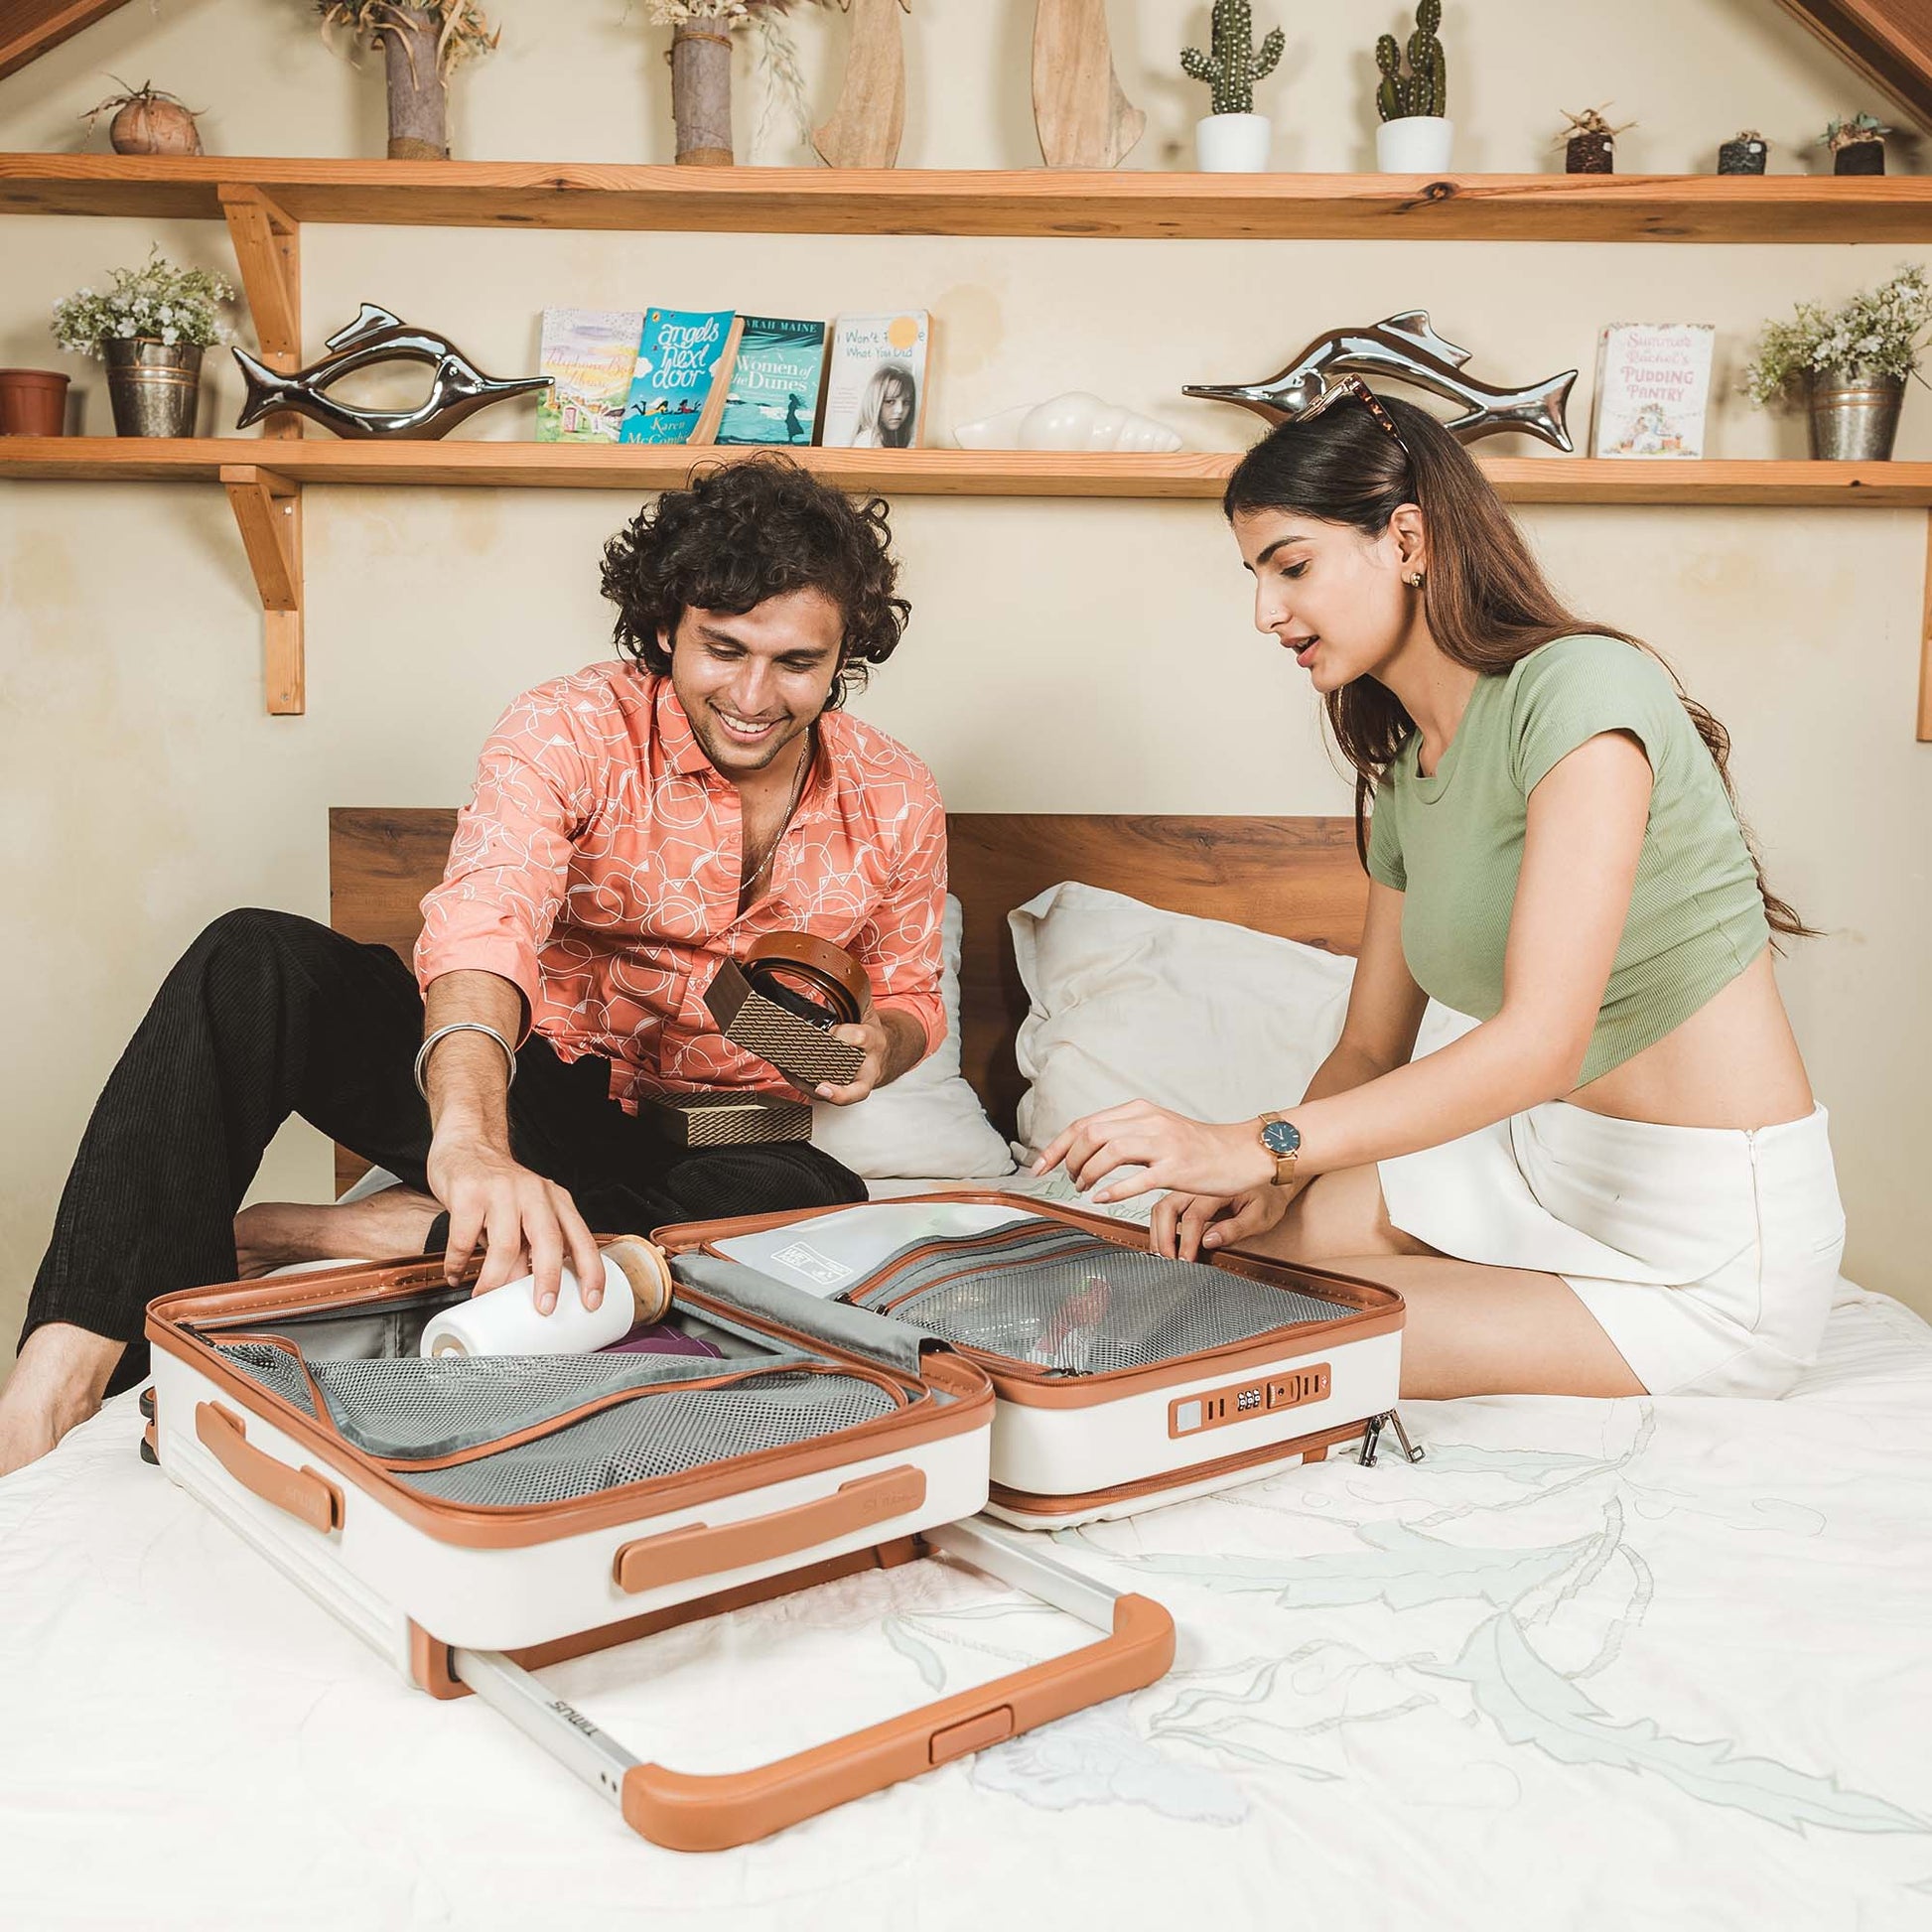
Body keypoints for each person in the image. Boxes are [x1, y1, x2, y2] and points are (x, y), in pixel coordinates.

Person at [0, 455, 947, 1474]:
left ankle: (364, 1231)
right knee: (253, 955)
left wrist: (876, 1046)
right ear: (668, 622)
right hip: (536, 1083)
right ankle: (60, 1369)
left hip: (714, 1139)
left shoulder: (896, 793)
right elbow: (484, 928)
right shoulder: (567, 728)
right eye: (724, 649)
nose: (755, 696)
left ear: (845, 649)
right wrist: (467, 1137)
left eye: (797, 662)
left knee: (818, 1211)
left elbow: (907, 992)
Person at [1035, 379, 1844, 1403]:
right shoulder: (1407, 768)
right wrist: (1268, 1179)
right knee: (1178, 1276)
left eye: (1290, 565)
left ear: (1406, 539)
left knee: (1222, 1337)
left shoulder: (1581, 690)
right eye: (1252, 574)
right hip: (1532, 1166)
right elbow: (1369, 1047)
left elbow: (1537, 1040)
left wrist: (1248, 1141)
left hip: (1703, 1242)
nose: (1262, 611)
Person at [850, 364, 916, 450]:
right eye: (890, 401)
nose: (900, 410)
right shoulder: (868, 440)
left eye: (906, 402)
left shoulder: (898, 437)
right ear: (875, 403)